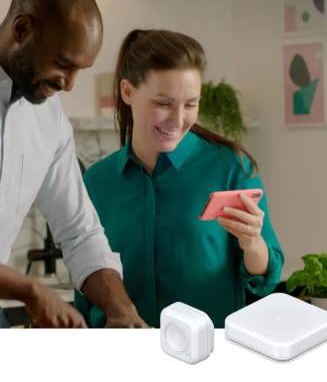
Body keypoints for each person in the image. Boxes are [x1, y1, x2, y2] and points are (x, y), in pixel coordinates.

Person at [74, 29, 284, 328]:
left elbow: (264, 280)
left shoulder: (229, 167)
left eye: (190, 104)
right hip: (118, 358)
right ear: (127, 91)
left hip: (204, 360)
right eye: (163, 103)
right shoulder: (97, 181)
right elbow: (85, 284)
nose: (178, 120)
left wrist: (252, 243)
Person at [0, 0, 147, 328]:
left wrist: (122, 310)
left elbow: (80, 231)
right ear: (22, 29)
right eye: (63, 64)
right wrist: (30, 290)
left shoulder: (49, 119)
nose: (67, 84)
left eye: (79, 70)